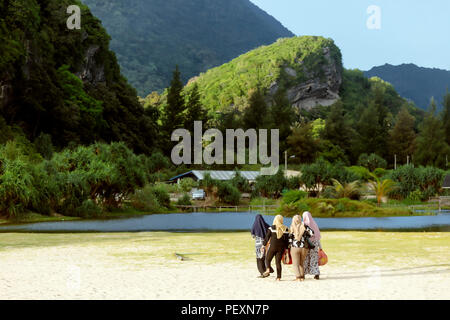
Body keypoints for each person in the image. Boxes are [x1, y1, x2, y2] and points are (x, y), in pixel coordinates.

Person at [262, 215, 289, 281]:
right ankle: (278, 277)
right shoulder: (286, 228)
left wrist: (263, 245)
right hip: (281, 248)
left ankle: (268, 269)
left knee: (267, 259)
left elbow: (267, 237)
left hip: (273, 247)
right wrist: (287, 249)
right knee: (278, 262)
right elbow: (287, 240)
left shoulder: (271, 228)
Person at [289, 215, 314, 281]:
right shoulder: (304, 226)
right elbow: (312, 233)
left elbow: (290, 238)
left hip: (295, 247)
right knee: (301, 263)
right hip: (304, 247)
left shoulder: (292, 226)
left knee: (295, 264)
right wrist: (305, 235)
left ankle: (298, 277)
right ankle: (302, 276)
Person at [302, 211, 322, 280]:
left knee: (305, 259)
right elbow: (317, 237)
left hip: (306, 244)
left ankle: (303, 273)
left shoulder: (303, 224)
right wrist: (321, 247)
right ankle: (316, 273)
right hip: (315, 243)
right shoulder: (314, 224)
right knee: (314, 258)